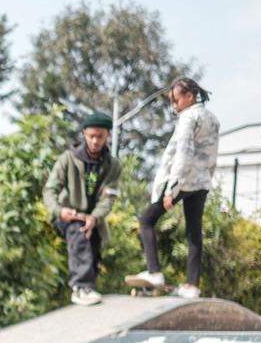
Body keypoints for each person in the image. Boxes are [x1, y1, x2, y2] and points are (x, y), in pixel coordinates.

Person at [126, 77, 220, 298]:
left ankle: (154, 272)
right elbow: (211, 155)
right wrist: (206, 179)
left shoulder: (188, 117)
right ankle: (192, 286)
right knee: (194, 232)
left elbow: (183, 153)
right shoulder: (213, 119)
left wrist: (172, 188)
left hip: (183, 180)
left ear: (190, 96)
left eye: (176, 100)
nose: (174, 106)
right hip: (202, 181)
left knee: (146, 220)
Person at [43, 112, 123, 306]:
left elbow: (108, 198)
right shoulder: (67, 159)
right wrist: (58, 210)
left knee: (93, 251)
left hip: (94, 219)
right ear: (84, 135)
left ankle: (88, 288)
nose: (95, 141)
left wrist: (94, 217)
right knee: (80, 230)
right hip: (68, 215)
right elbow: (50, 189)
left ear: (107, 136)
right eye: (91, 136)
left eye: (100, 136)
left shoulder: (113, 165)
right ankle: (80, 287)